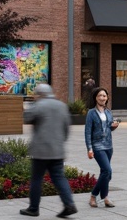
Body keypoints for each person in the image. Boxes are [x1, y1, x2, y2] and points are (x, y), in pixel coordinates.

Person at [20, 83, 78, 218]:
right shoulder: (62, 106)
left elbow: (27, 118)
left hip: (40, 150)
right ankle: (69, 204)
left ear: (39, 94)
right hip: (57, 149)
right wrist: (61, 142)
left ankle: (33, 208)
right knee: (59, 177)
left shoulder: (38, 105)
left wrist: (31, 105)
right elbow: (66, 127)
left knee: (36, 179)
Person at [83, 87, 118, 208]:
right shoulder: (91, 113)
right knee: (107, 171)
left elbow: (109, 127)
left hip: (109, 145)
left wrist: (114, 126)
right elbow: (87, 132)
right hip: (97, 146)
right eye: (100, 96)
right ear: (95, 98)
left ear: (107, 98)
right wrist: (89, 149)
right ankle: (96, 196)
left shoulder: (108, 112)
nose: (102, 98)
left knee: (106, 173)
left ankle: (102, 197)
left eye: (104, 96)